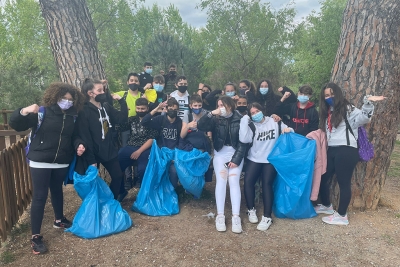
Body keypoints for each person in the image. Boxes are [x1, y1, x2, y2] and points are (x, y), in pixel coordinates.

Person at [9, 82, 85, 255]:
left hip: (61, 160)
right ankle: (35, 236)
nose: (67, 102)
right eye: (63, 99)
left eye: (70, 100)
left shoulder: (73, 116)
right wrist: (23, 111)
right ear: (55, 97)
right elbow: (16, 124)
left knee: (57, 190)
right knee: (40, 196)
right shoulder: (42, 112)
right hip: (40, 160)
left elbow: (74, 136)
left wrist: (79, 144)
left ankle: (59, 220)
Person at [316, 82, 385, 225]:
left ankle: (342, 216)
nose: (330, 97)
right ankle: (327, 206)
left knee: (343, 182)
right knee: (323, 176)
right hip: (332, 149)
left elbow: (365, 118)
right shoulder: (328, 111)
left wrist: (367, 103)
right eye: (327, 95)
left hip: (346, 150)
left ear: (338, 93)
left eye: (332, 94)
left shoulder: (348, 109)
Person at [239, 102, 293, 231]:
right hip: (255, 158)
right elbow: (243, 139)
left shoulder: (274, 121)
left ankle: (267, 216)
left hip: (270, 159)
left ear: (262, 110)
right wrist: (244, 119)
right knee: (248, 182)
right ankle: (251, 209)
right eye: (252, 113)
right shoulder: (251, 125)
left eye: (257, 111)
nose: (255, 114)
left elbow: (289, 130)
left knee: (266, 184)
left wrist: (288, 130)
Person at [198, 96, 247, 234]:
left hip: (236, 153)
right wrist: (211, 113)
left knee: (233, 181)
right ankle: (220, 215)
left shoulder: (241, 118)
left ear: (230, 105)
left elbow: (244, 142)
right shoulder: (215, 118)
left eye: (223, 105)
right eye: (218, 105)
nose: (221, 108)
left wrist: (236, 159)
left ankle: (236, 217)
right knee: (221, 180)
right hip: (220, 153)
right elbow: (201, 125)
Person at [77, 78, 128, 200]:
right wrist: (91, 159)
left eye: (103, 90)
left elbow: (121, 119)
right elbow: (85, 135)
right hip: (93, 151)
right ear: (90, 93)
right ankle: (95, 205)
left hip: (109, 150)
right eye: (99, 90)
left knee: (117, 176)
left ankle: (111, 202)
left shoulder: (106, 107)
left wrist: (122, 102)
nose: (103, 93)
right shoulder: (84, 111)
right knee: (91, 181)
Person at [118, 98, 159, 190]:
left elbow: (151, 139)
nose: (140, 111)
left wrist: (139, 151)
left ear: (147, 109)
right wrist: (124, 112)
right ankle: (120, 188)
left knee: (143, 169)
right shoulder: (132, 120)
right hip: (131, 146)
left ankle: (143, 188)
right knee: (117, 160)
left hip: (145, 148)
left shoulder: (153, 121)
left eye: (143, 109)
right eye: (138, 108)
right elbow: (120, 126)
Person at [141, 97, 183, 188]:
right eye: (170, 109)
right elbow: (144, 122)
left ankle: (172, 191)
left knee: (173, 171)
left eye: (175, 109)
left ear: (178, 110)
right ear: (166, 109)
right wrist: (156, 109)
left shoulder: (180, 123)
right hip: (161, 154)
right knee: (157, 172)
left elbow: (181, 140)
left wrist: (176, 156)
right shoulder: (160, 119)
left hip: (173, 155)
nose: (173, 111)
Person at [180, 95, 213, 182]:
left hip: (203, 145)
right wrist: (188, 126)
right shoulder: (188, 116)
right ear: (191, 106)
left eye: (199, 105)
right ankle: (190, 186)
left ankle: (201, 186)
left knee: (202, 166)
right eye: (195, 106)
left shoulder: (206, 115)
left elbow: (209, 134)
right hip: (191, 146)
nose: (197, 108)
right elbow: (182, 135)